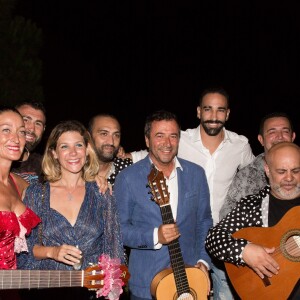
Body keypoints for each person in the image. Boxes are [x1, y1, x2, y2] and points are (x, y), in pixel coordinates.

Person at [126, 87, 255, 299]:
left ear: (228, 114)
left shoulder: (240, 145)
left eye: (220, 110)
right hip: (186, 245)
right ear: (198, 112)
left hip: (225, 240)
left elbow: (257, 178)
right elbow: (149, 153)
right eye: (208, 109)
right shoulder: (179, 139)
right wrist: (109, 169)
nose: (214, 116)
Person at [17, 120, 125, 300]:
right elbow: (24, 249)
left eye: (78, 145)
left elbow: (114, 250)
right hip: (48, 291)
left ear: (86, 151)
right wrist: (53, 252)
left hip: (92, 293)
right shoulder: (35, 194)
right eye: (65, 146)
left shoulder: (102, 193)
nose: (73, 152)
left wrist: (112, 292)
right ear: (54, 153)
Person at [114, 110, 213, 300]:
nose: (167, 143)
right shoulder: (128, 178)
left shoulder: (196, 174)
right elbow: (119, 231)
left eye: (173, 136)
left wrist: (203, 261)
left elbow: (204, 221)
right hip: (147, 284)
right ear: (147, 140)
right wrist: (155, 236)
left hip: (190, 278)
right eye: (159, 136)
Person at [205, 142, 300, 299]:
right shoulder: (252, 205)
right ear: (267, 170)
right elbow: (213, 238)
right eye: (281, 171)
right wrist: (244, 251)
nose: (289, 178)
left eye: (296, 171)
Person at [220, 112, 296, 220]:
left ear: (292, 136)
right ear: (261, 140)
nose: (280, 137)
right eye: (272, 132)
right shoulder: (246, 176)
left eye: (285, 131)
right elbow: (226, 218)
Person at [0, 105, 41, 299]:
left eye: (21, 132)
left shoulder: (21, 184)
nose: (16, 139)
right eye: (6, 130)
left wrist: (96, 177)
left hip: (11, 289)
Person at [88, 113, 133, 187]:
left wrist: (128, 155)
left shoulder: (128, 170)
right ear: (88, 136)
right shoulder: (73, 168)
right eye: (104, 134)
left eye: (116, 135)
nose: (111, 142)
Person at [12, 101, 47, 183]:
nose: (32, 128)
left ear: (44, 129)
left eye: (38, 123)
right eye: (26, 120)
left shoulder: (45, 166)